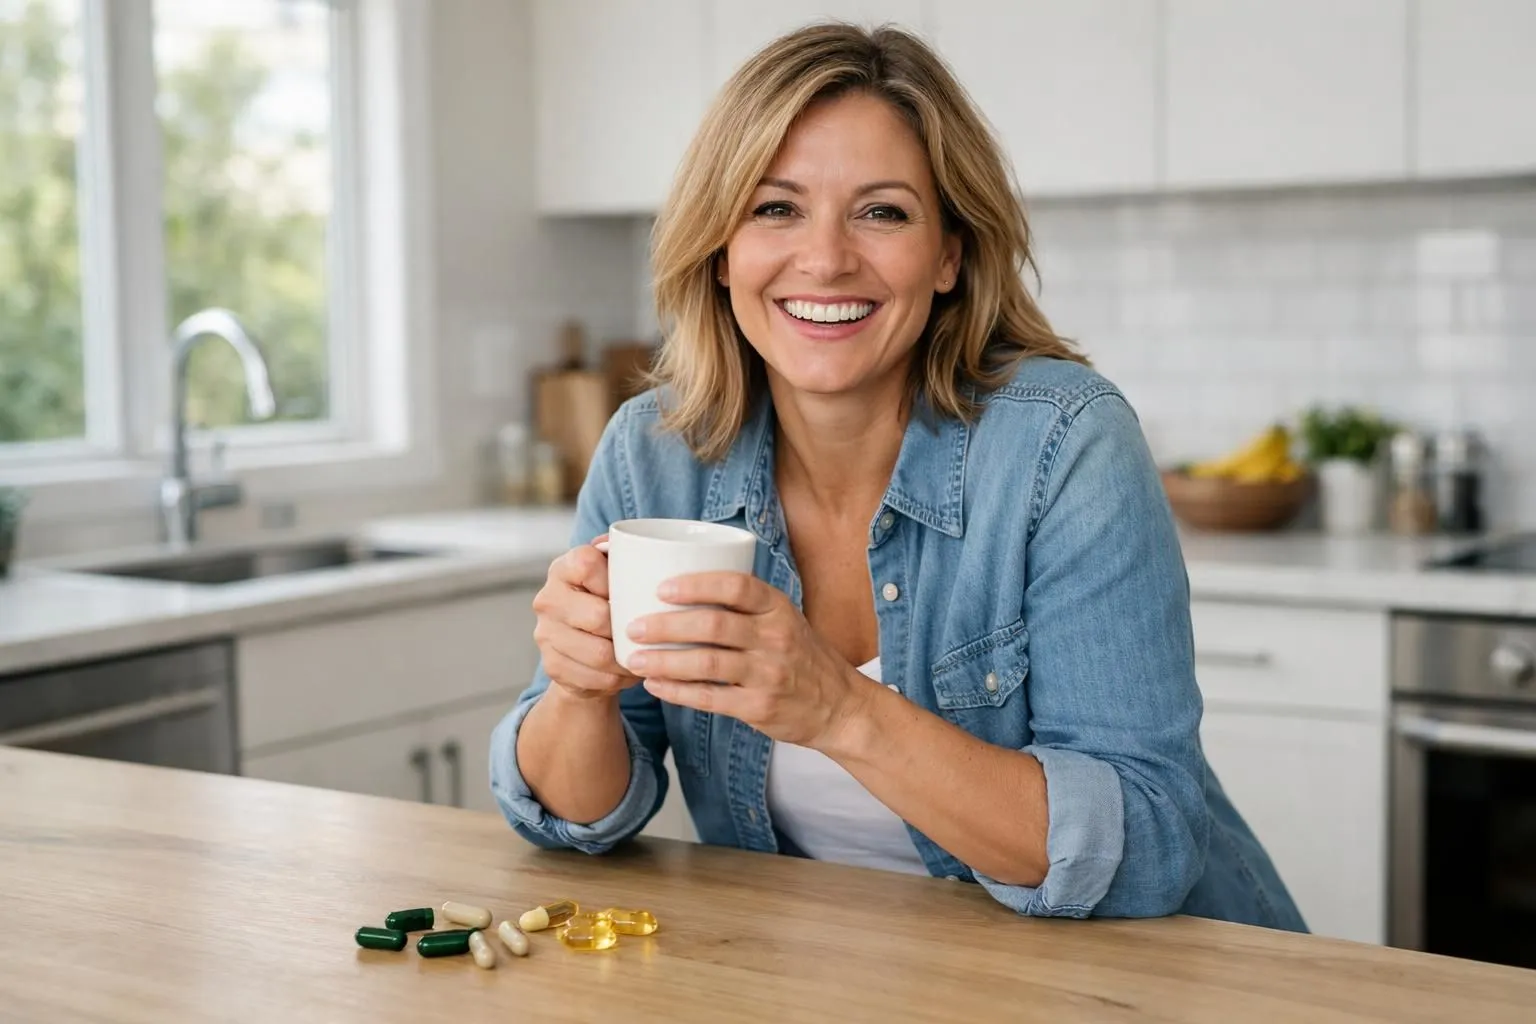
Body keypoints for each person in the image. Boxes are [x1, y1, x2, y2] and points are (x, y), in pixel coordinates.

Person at [490, 22, 1304, 929]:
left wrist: (838, 708)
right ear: (722, 252)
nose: (827, 259)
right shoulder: (656, 452)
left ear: (949, 253)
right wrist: (577, 691)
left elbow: (1147, 847)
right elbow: (578, 822)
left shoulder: (1063, 443)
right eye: (775, 208)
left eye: (882, 211)